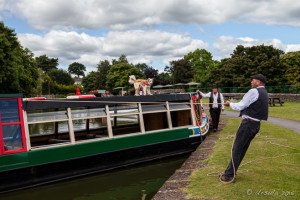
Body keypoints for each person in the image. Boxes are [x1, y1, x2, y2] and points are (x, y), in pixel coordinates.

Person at [220, 74, 269, 183]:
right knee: (241, 149)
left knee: (237, 149)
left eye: (253, 80)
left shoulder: (254, 91)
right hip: (255, 125)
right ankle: (231, 172)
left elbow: (241, 105)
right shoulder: (264, 92)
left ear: (258, 82)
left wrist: (229, 104)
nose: (251, 82)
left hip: (248, 124)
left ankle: (228, 176)